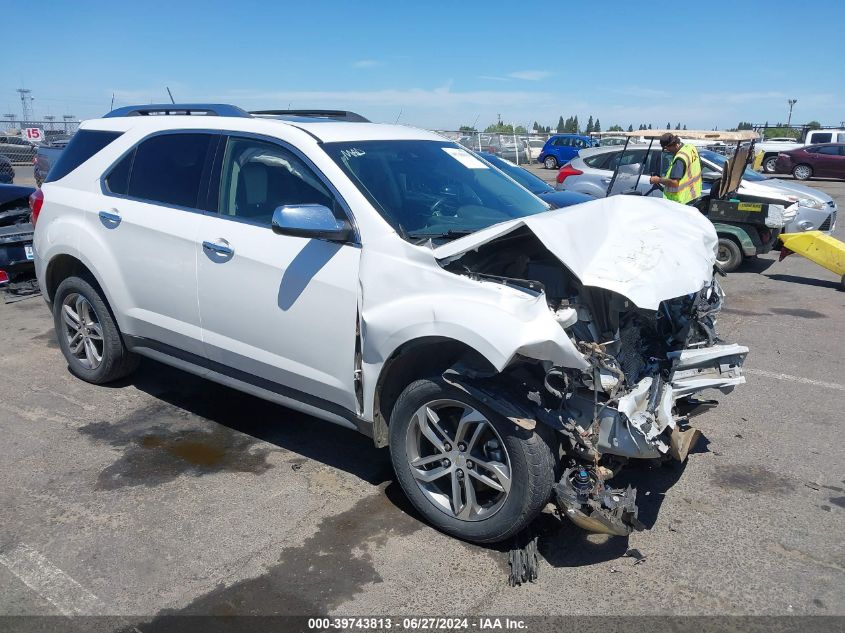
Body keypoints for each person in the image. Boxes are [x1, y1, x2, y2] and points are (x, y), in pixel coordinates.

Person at [649, 133, 702, 204]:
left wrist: (658, 180)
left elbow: (674, 183)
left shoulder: (680, 158)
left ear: (671, 145)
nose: (668, 151)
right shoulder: (690, 148)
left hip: (680, 201)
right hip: (693, 195)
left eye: (666, 149)